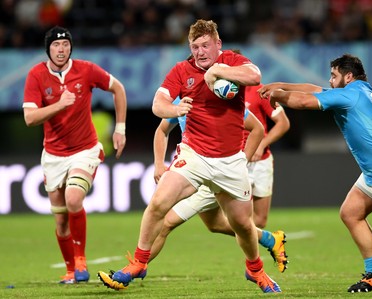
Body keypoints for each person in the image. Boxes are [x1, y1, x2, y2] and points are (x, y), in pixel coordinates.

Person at [98, 19, 282, 293]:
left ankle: (254, 270)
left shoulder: (231, 61)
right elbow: (158, 103)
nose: (199, 51)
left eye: (205, 45)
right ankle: (139, 262)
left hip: (230, 161)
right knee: (159, 203)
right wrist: (175, 110)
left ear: (217, 44)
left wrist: (218, 70)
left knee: (243, 225)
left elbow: (254, 76)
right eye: (194, 46)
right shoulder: (181, 71)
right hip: (194, 155)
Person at [258, 53, 372, 293]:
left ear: (348, 76)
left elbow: (304, 102)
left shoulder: (351, 94)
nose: (331, 81)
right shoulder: (357, 91)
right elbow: (313, 88)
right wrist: (280, 85)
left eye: (334, 76)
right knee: (351, 212)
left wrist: (279, 95)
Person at [22, 26, 127, 284]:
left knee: (73, 198)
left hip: (85, 149)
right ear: (48, 49)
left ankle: (81, 259)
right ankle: (71, 271)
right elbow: (29, 118)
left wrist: (121, 129)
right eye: (57, 46)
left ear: (71, 47)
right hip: (54, 155)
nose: (62, 50)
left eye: (66, 45)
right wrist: (60, 104)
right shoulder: (36, 75)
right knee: (60, 221)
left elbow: (119, 89)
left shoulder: (87, 70)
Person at [149, 96, 288, 272]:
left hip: (236, 166)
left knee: (256, 220)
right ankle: (269, 241)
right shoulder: (189, 97)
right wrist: (159, 163)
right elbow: (163, 129)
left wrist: (253, 152)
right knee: (215, 224)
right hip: (207, 168)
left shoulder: (244, 94)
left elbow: (268, 126)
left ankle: (134, 269)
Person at [244, 84, 290, 228]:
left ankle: (260, 243)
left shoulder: (260, 92)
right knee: (239, 217)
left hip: (260, 162)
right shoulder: (222, 90)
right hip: (235, 161)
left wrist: (262, 144)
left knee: (260, 221)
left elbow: (283, 123)